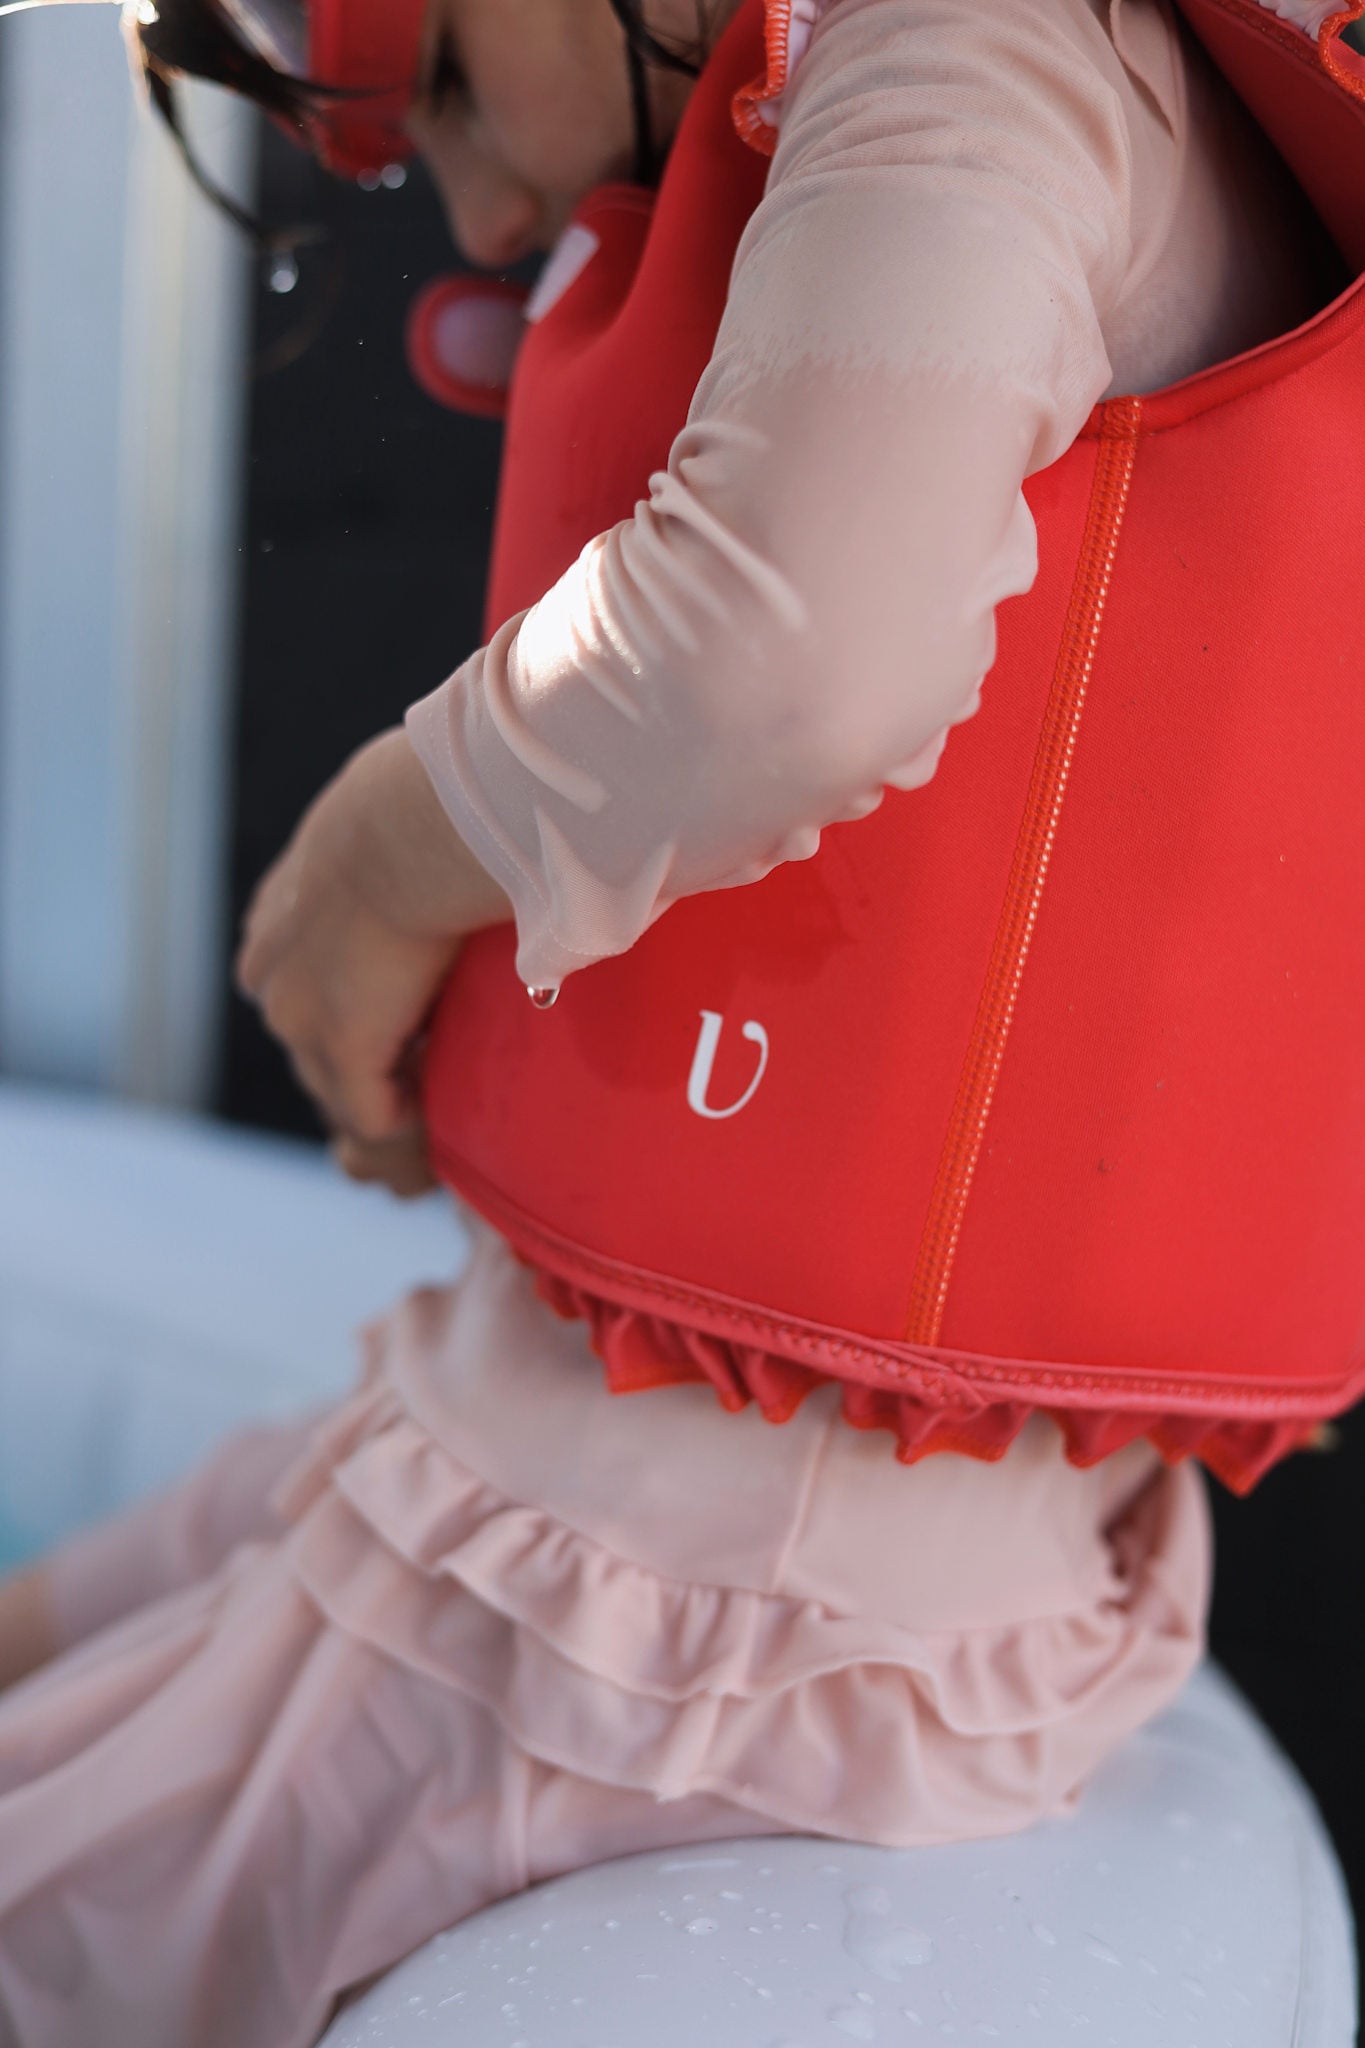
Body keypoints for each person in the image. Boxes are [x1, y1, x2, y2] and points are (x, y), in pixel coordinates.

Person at [0, 0, 1344, 2041]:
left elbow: (784, 660)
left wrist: (374, 872)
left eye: (447, 83)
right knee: (63, 1622)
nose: (480, 213)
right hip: (643, 1481)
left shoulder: (972, 49)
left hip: (694, 1586)